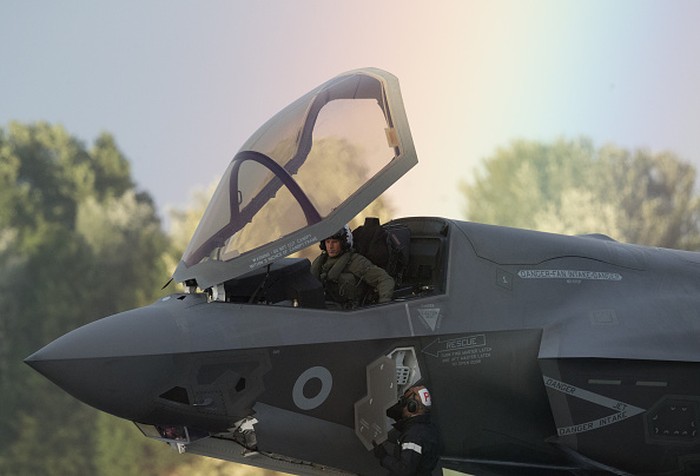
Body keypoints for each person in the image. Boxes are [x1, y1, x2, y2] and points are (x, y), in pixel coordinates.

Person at [311, 225, 395, 308]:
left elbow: (384, 279)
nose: (330, 246)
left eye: (335, 242)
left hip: (351, 312)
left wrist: (384, 305)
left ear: (343, 243)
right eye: (328, 242)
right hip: (324, 310)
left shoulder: (356, 261)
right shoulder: (320, 262)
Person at [373, 385, 441, 476]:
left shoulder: (413, 436)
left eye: (405, 404)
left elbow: (405, 471)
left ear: (411, 407)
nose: (402, 408)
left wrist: (383, 456)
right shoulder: (428, 428)